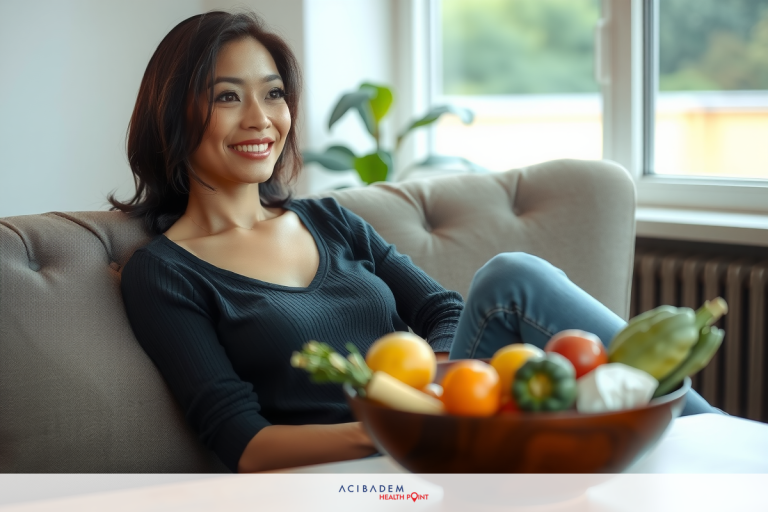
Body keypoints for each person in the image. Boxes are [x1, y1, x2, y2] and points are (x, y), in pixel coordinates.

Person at [115, 10, 720, 474]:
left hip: (445, 408)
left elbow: (444, 311)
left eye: (273, 93)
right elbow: (242, 442)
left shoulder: (329, 220)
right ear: (174, 112)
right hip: (367, 464)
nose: (261, 119)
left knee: (513, 279)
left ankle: (713, 436)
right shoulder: (165, 273)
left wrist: (433, 391)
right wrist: (390, 423)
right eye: (228, 96)